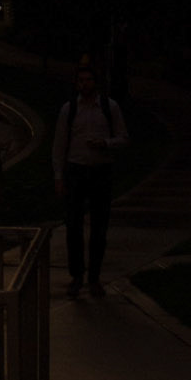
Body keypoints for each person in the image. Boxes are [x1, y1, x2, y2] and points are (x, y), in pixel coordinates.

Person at [53, 57, 128, 297]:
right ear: (76, 84)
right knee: (73, 225)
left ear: (96, 82)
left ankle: (94, 277)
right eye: (81, 80)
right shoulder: (69, 109)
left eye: (89, 80)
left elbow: (124, 138)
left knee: (99, 227)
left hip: (101, 171)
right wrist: (59, 177)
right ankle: (77, 275)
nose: (84, 84)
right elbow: (59, 145)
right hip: (76, 170)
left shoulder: (109, 107)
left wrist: (105, 143)